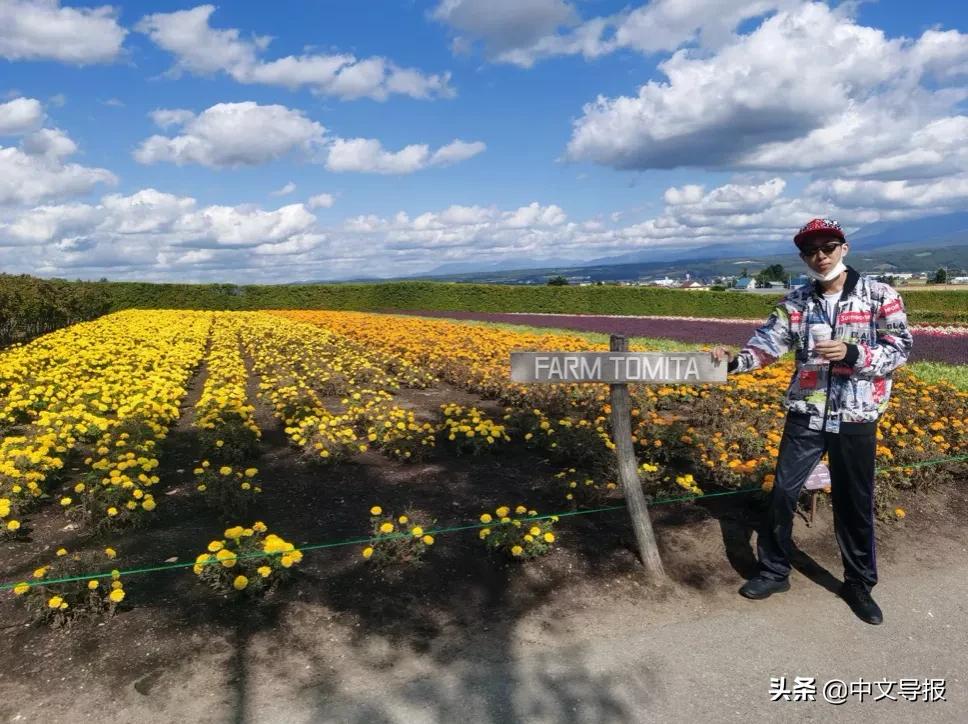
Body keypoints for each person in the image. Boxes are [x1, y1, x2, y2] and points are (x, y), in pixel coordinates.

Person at [710, 218, 913, 625]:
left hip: (857, 413)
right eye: (810, 251)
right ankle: (774, 571)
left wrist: (854, 355)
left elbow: (901, 348)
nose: (819, 257)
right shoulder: (796, 302)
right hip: (807, 411)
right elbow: (765, 346)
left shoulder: (879, 295)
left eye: (827, 247)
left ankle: (859, 583)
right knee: (783, 492)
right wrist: (731, 361)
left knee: (854, 502)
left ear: (844, 248)